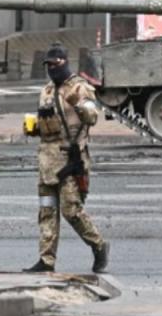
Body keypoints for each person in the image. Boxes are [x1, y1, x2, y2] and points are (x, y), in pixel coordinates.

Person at [23, 43, 110, 273]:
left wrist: (77, 103)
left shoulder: (79, 87)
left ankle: (99, 245)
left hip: (70, 160)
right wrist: (34, 127)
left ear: (64, 62)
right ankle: (46, 260)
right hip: (46, 163)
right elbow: (47, 124)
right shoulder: (47, 90)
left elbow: (92, 116)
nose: (51, 68)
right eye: (48, 65)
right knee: (46, 211)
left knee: (72, 211)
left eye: (55, 64)